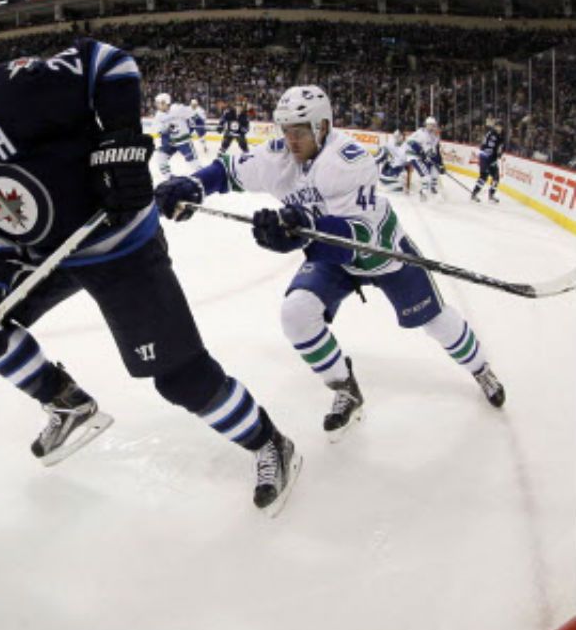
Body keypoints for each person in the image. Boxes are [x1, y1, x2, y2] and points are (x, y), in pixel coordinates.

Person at [0, 41, 301, 511]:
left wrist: (120, 140)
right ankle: (67, 403)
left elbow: (109, 61)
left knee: (180, 379)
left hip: (118, 241)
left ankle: (269, 443)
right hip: (51, 254)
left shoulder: (11, 93)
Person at [155, 85, 505, 441]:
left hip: (381, 254)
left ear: (322, 127)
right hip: (329, 253)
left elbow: (362, 237)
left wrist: (304, 230)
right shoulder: (279, 156)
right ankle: (346, 387)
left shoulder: (348, 161)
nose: (291, 140)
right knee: (296, 315)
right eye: (286, 130)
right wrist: (192, 186)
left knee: (436, 321)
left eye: (300, 131)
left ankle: (480, 369)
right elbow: (228, 171)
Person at [153, 92, 199, 180]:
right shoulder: (159, 115)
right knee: (160, 156)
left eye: (159, 103)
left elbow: (193, 113)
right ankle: (169, 178)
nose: (157, 105)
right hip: (171, 143)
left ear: (165, 102)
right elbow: (159, 130)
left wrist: (193, 106)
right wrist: (165, 131)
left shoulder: (178, 109)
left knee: (193, 162)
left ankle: (205, 177)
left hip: (183, 141)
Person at [405, 116, 443, 201]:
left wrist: (440, 164)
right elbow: (410, 141)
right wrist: (420, 151)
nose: (432, 127)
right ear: (426, 125)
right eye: (430, 125)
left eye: (433, 125)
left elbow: (436, 151)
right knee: (426, 176)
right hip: (414, 156)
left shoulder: (435, 136)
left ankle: (431, 189)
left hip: (423, 157)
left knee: (434, 172)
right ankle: (423, 193)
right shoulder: (420, 132)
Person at [471, 119, 504, 203]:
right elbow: (489, 148)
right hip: (486, 158)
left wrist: (499, 153)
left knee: (496, 177)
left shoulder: (496, 134)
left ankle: (491, 195)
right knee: (484, 176)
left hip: (490, 158)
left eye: (501, 127)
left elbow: (499, 148)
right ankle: (474, 194)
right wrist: (496, 155)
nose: (500, 128)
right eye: (498, 126)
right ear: (495, 126)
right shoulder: (493, 135)